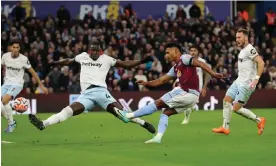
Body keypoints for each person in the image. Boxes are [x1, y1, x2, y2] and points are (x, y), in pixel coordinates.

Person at [28, 41, 156, 134]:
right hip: (86, 95)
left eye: (97, 50)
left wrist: (142, 61)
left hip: (101, 92)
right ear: (89, 50)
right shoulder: (82, 56)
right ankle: (43, 124)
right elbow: (69, 60)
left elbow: (126, 64)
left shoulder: (106, 59)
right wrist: (55, 63)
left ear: (100, 51)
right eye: (92, 50)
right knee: (67, 111)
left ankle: (143, 123)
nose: (94, 52)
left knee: (124, 116)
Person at [115, 42, 225, 143]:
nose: (166, 55)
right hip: (189, 96)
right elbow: (161, 81)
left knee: (158, 103)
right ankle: (158, 137)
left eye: (168, 52)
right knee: (166, 112)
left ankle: (128, 115)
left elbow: (200, 63)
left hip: (188, 93)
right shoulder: (175, 67)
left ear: (175, 51)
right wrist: (146, 83)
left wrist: (213, 73)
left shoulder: (185, 58)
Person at [212, 28, 266, 135]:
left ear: (246, 38)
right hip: (239, 81)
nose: (237, 39)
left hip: (247, 84)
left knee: (236, 108)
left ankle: (259, 120)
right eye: (236, 37)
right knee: (226, 100)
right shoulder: (242, 50)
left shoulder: (250, 49)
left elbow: (261, 63)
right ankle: (225, 127)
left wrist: (256, 79)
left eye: (239, 37)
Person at [1, 39, 48, 132]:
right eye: (13, 47)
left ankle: (11, 122)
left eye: (17, 47)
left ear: (19, 49)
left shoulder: (23, 59)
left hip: (17, 84)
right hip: (6, 83)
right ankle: (11, 122)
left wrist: (41, 85)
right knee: (3, 103)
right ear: (10, 48)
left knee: (4, 100)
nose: (15, 49)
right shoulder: (5, 56)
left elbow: (33, 72)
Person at [178, 46, 211, 124]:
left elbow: (207, 74)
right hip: (186, 85)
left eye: (195, 50)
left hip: (197, 87)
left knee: (190, 104)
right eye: (191, 50)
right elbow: (181, 73)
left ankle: (189, 112)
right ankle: (186, 118)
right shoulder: (185, 61)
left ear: (198, 52)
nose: (193, 52)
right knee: (187, 103)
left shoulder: (201, 61)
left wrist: (204, 87)